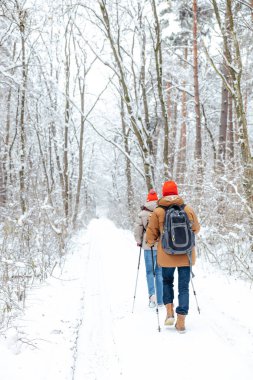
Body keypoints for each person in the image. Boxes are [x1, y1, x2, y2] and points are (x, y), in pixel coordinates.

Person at [146, 180, 200, 332]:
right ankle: (181, 321)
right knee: (184, 287)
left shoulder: (158, 211)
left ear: (163, 193)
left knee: (167, 282)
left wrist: (153, 241)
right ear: (176, 192)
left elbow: (150, 236)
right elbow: (196, 228)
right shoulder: (187, 209)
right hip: (186, 255)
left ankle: (169, 312)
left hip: (166, 255)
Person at [134, 189, 163, 308]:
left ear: (148, 199)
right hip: (160, 246)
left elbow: (137, 230)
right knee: (160, 272)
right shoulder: (161, 211)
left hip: (147, 246)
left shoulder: (142, 213)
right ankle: (161, 300)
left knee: (149, 272)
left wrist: (139, 242)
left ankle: (152, 297)